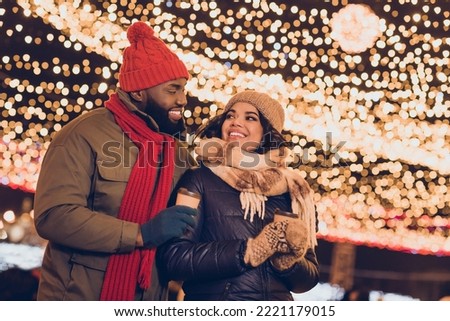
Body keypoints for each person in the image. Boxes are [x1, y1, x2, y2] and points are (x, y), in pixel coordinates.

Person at [33, 21, 198, 301]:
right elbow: (54, 216)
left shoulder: (178, 152)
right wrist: (140, 234)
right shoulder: (83, 134)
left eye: (183, 89)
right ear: (138, 92)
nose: (183, 99)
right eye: (172, 90)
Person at [157, 90, 320, 300]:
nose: (235, 122)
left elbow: (310, 278)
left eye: (250, 118)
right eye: (230, 116)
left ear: (266, 132)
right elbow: (173, 260)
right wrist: (247, 251)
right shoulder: (199, 179)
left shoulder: (294, 191)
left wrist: (288, 262)